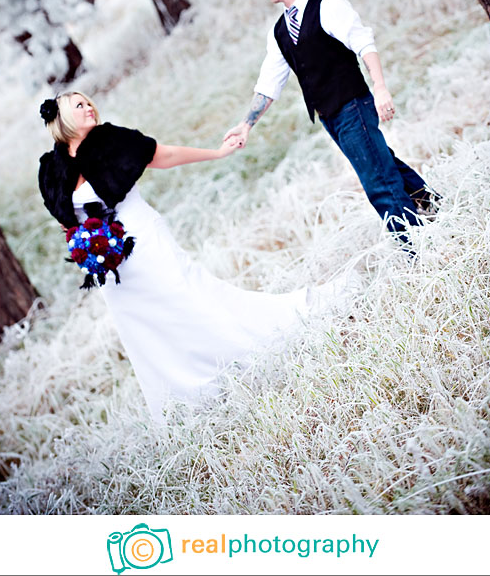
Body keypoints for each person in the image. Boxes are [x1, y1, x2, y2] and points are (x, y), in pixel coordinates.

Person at [38, 91, 345, 424]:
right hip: (110, 266)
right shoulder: (53, 169)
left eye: (88, 102)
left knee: (186, 297)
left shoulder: (111, 140)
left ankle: (236, 356)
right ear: (63, 120)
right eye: (78, 106)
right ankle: (183, 398)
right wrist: (86, 245)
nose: (88, 108)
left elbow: (163, 155)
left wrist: (216, 153)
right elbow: (63, 216)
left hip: (142, 241)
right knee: (144, 325)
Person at [224, 0, 441, 246]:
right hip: (330, 116)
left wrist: (380, 87)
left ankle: (416, 247)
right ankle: (436, 210)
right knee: (383, 163)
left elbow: (364, 43)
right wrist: (246, 124)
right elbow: (269, 82)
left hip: (353, 105)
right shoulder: (280, 30)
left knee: (378, 182)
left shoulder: (329, 7)